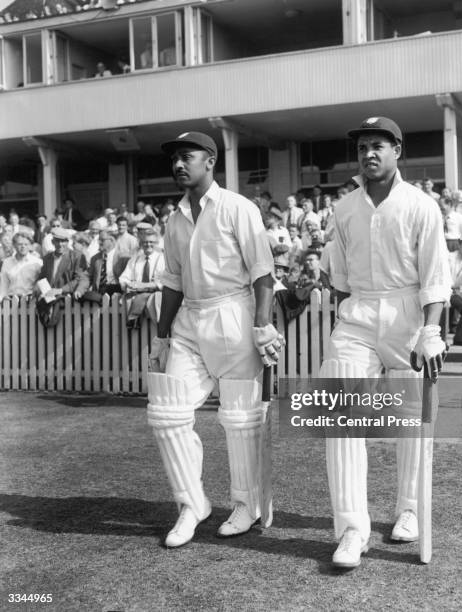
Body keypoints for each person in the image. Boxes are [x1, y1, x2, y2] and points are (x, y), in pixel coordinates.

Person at [319, 117, 451, 569]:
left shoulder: (421, 205)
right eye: (361, 148)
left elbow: (435, 277)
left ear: (398, 150)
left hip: (408, 315)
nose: (368, 154)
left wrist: (431, 331)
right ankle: (352, 529)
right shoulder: (344, 208)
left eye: (378, 145)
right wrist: (347, 317)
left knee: (409, 420)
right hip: (357, 314)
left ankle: (409, 510)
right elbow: (338, 280)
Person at [148, 131, 284, 548]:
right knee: (167, 412)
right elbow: (172, 280)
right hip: (190, 319)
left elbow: (262, 271)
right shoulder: (174, 220)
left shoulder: (237, 207)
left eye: (186, 156)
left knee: (241, 420)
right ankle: (192, 504)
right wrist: (161, 335)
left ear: (210, 161)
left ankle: (245, 505)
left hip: (234, 314)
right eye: (174, 158)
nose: (178, 164)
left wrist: (262, 325)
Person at [35, 227, 89, 327]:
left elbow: (80, 279)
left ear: (67, 242)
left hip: (69, 302)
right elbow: (42, 278)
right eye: (57, 241)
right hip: (50, 302)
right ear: (52, 242)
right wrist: (41, 291)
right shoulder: (47, 258)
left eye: (63, 241)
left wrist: (60, 290)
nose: (60, 244)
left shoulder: (77, 256)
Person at [119, 229, 165, 328]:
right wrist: (127, 285)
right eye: (145, 242)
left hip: (155, 303)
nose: (148, 244)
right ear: (141, 243)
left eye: (151, 242)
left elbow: (165, 282)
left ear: (156, 243)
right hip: (136, 297)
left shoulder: (163, 259)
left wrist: (146, 285)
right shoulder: (135, 259)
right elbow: (124, 278)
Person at [0, 232, 42, 300]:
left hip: (30, 301)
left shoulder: (37, 262)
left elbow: (41, 283)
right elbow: (4, 284)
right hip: (10, 300)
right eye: (20, 244)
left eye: (26, 244)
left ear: (30, 246)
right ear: (14, 245)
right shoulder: (6, 262)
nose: (23, 247)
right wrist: (3, 297)